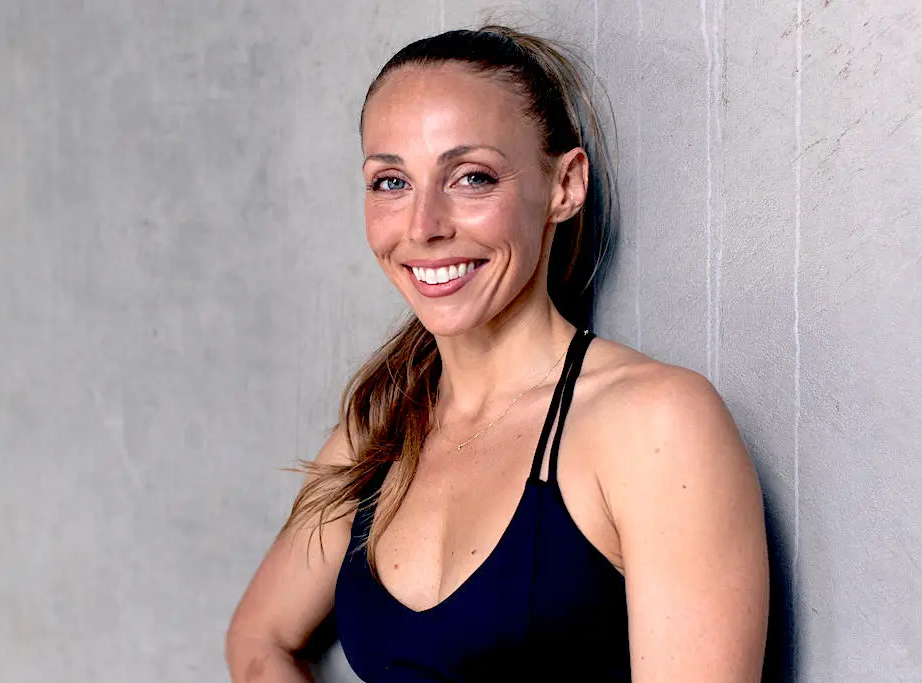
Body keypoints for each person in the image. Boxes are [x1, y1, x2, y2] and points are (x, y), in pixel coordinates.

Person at [226, 25, 769, 683]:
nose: (424, 226)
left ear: (564, 185)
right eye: (391, 182)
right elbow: (257, 640)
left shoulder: (656, 424)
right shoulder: (378, 432)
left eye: (472, 177)